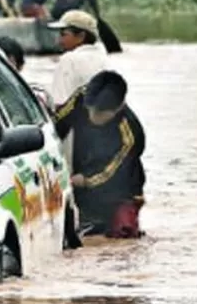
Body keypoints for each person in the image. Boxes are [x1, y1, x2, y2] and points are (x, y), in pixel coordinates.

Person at [55, 70, 146, 238]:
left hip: (120, 190)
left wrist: (85, 179)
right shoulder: (81, 98)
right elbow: (56, 124)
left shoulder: (130, 133)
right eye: (90, 110)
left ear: (119, 107)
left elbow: (113, 170)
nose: (92, 117)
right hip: (81, 181)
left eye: (100, 114)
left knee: (122, 237)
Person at [46, 10, 109, 107]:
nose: (59, 41)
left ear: (81, 36)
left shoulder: (69, 59)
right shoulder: (103, 58)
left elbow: (59, 103)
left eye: (63, 34)